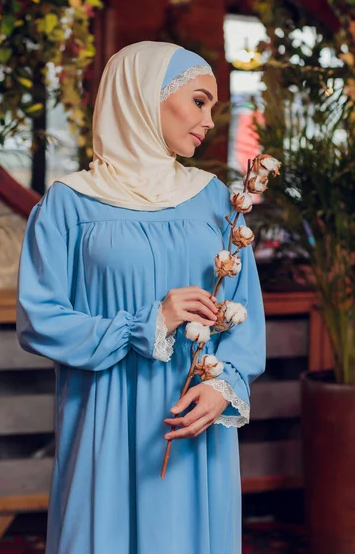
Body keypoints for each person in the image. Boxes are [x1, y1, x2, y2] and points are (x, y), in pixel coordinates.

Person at [16, 41, 266, 554]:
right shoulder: (68, 204)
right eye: (199, 101)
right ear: (142, 96)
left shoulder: (216, 198)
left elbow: (244, 308)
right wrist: (147, 322)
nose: (209, 120)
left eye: (214, 107)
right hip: (105, 419)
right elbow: (39, 318)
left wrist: (225, 387)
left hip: (195, 417)